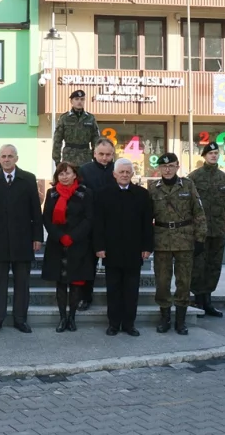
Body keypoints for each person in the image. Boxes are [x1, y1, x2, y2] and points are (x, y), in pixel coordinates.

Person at [0, 144, 43, 334]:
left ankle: (20, 319)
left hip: (23, 240)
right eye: (3, 156)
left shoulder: (28, 179)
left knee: (22, 283)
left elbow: (35, 211)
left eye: (10, 156)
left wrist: (37, 236)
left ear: (16, 158)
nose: (6, 159)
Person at [148, 153, 207, 336]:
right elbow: (145, 216)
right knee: (163, 282)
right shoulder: (152, 188)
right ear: (159, 168)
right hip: (162, 240)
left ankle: (180, 320)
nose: (167, 169)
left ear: (177, 167)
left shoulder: (188, 185)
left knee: (183, 281)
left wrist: (200, 238)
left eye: (171, 166)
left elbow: (198, 212)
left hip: (184, 239)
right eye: (164, 166)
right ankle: (165, 318)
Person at [95, 158, 154, 337]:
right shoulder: (103, 193)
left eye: (128, 172)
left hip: (134, 250)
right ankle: (113, 324)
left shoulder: (142, 194)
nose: (125, 175)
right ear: (114, 174)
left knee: (131, 289)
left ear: (132, 174)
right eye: (121, 172)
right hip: (111, 250)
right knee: (113, 289)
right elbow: (98, 223)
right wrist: (99, 247)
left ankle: (129, 324)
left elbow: (147, 223)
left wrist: (147, 247)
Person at [41, 162, 93, 333]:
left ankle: (72, 318)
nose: (64, 177)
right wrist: (60, 236)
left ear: (75, 175)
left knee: (76, 283)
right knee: (61, 283)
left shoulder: (85, 193)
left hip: (78, 244)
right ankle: (62, 318)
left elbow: (89, 219)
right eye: (60, 174)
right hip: (57, 244)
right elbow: (47, 218)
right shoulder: (52, 193)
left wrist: (72, 237)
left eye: (67, 173)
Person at [189, 141, 225, 317]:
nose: (214, 156)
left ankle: (208, 301)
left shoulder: (223, 177)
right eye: (210, 153)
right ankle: (198, 300)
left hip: (217, 230)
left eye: (216, 153)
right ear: (204, 156)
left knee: (213, 266)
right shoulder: (194, 177)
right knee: (198, 266)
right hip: (200, 231)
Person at [78, 137, 116, 310]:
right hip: (90, 223)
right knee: (88, 264)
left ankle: (114, 298)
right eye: (101, 154)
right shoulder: (85, 170)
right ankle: (85, 297)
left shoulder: (119, 169)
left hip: (113, 224)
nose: (104, 158)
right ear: (94, 153)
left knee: (115, 264)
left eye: (108, 154)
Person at [52, 90, 101, 168]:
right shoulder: (64, 118)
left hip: (86, 158)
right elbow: (57, 140)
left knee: (86, 179)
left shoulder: (90, 118)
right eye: (77, 99)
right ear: (71, 101)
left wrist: (96, 158)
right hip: (69, 158)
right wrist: (57, 160)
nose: (79, 101)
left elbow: (96, 140)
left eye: (82, 99)